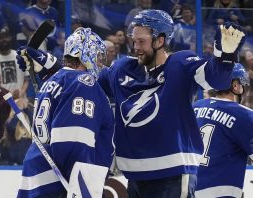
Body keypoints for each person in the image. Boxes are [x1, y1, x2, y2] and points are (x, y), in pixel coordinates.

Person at [16, 10, 245, 197]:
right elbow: (85, 77)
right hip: (135, 176)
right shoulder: (122, 69)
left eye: (141, 41)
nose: (135, 47)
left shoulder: (180, 64)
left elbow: (215, 77)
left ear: (160, 40)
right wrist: (45, 63)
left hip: (173, 173)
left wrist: (224, 57)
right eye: (133, 40)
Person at [16, 27, 115, 197]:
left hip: (37, 176)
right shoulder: (84, 83)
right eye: (98, 57)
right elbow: (73, 140)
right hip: (61, 184)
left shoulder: (53, 81)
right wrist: (81, 189)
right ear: (85, 54)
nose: (100, 64)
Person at [193, 63, 253, 198]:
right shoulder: (244, 115)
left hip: (188, 189)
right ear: (236, 86)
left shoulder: (195, 107)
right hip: (220, 193)